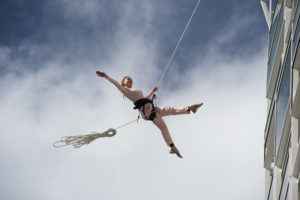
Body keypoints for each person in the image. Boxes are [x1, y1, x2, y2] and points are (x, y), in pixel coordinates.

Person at [96, 71, 203, 158]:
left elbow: (144, 99)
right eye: (127, 79)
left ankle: (190, 108)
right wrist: (106, 76)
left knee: (171, 110)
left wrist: (152, 91)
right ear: (123, 83)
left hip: (150, 107)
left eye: (131, 79)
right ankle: (172, 147)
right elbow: (116, 84)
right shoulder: (125, 90)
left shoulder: (133, 90)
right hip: (147, 112)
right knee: (163, 127)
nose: (130, 80)